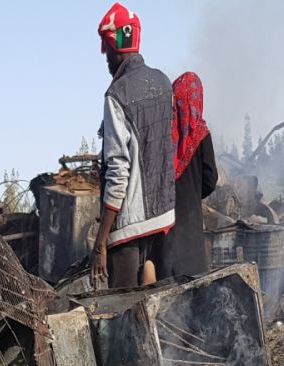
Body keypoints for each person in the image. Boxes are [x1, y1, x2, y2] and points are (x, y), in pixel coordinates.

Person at [91, 3, 175, 289]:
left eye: (106, 53)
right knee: (162, 311)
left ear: (115, 48)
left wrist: (101, 241)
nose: (106, 62)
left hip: (129, 225)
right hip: (164, 219)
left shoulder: (117, 95)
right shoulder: (164, 83)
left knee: (123, 315)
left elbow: (118, 170)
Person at [167, 72, 218, 278]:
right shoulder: (201, 134)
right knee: (193, 291)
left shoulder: (163, 135)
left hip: (165, 228)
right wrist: (194, 194)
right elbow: (210, 178)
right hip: (192, 232)